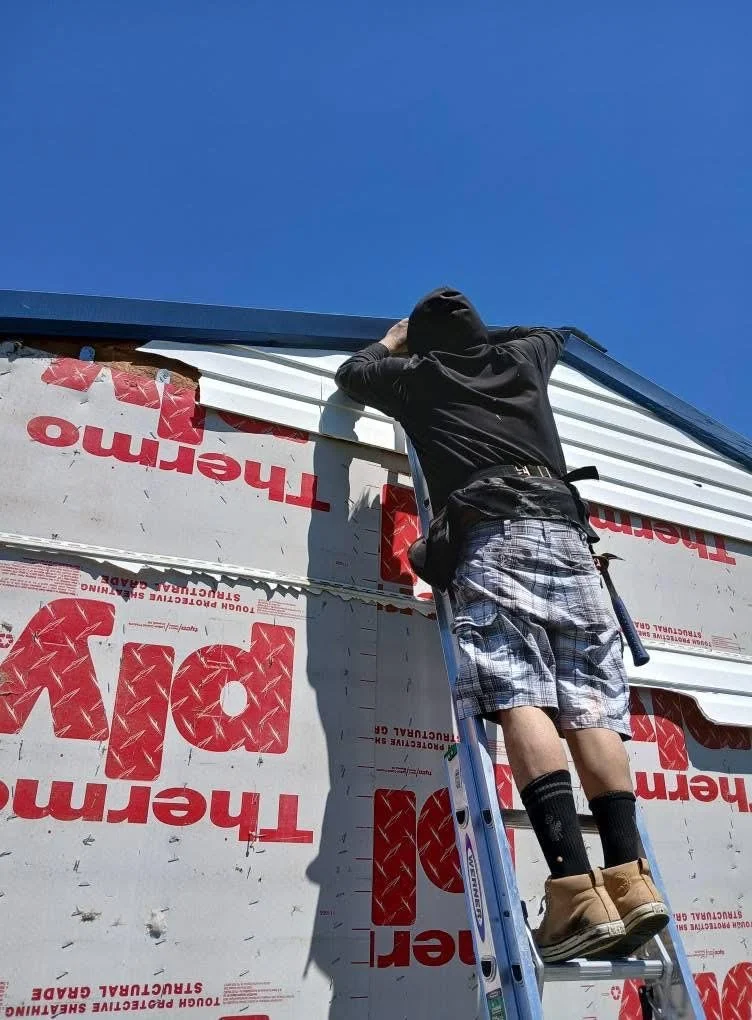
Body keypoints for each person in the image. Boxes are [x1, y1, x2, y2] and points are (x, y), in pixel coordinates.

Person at [335, 286, 669, 963]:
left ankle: (576, 893)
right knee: (591, 708)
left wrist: (395, 342)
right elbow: (553, 329)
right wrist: (490, 337)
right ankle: (631, 881)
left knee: (520, 695)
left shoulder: (418, 377)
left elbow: (352, 372)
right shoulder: (523, 358)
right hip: (571, 540)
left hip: (495, 533)